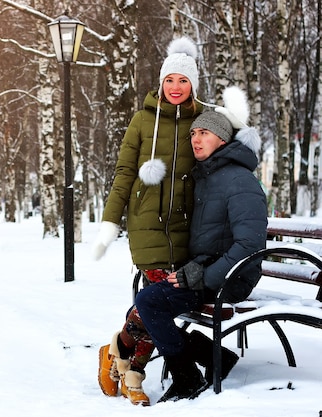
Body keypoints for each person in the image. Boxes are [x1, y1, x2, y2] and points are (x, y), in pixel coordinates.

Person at [134, 86, 268, 402]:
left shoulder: (239, 180)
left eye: (204, 133)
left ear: (222, 139)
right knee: (144, 301)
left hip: (233, 277)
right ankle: (214, 357)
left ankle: (188, 379)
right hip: (210, 269)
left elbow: (250, 244)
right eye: (194, 132)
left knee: (150, 303)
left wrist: (202, 275)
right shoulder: (208, 176)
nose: (195, 139)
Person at [93, 36, 204, 406]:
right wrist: (111, 222)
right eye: (170, 80)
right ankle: (135, 375)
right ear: (161, 83)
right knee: (156, 299)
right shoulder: (142, 120)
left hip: (184, 229)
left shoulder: (202, 121)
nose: (175, 87)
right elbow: (125, 173)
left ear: (193, 85)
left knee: (152, 303)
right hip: (146, 225)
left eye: (183, 81)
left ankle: (119, 352)